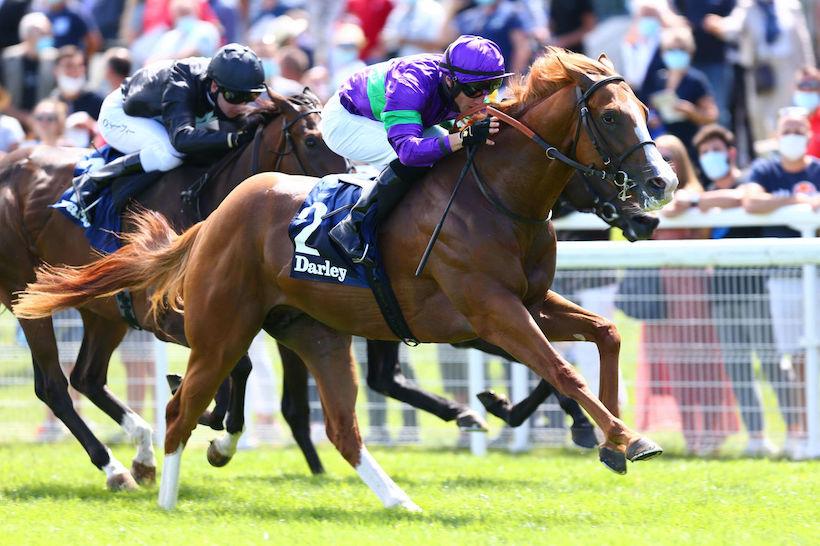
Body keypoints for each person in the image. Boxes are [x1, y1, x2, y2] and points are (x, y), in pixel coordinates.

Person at [320, 34, 508, 266]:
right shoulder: (409, 85)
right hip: (347, 120)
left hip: (401, 115)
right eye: (475, 90)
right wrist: (463, 137)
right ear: (450, 81)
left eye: (492, 86)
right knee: (421, 159)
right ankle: (353, 227)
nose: (484, 97)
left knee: (450, 152)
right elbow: (408, 152)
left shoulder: (469, 81)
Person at [689, 123, 795, 457]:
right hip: (721, 292)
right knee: (737, 367)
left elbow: (745, 198)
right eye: (705, 152)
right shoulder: (706, 190)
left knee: (772, 363)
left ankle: (796, 432)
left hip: (757, 288)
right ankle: (757, 437)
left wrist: (699, 200)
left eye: (716, 150)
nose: (711, 157)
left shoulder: (749, 179)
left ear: (731, 153)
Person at [635, 134, 740, 456]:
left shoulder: (694, 194)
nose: (665, 161)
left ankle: (713, 433)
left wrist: (689, 203)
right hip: (663, 293)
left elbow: (724, 204)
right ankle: (692, 436)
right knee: (676, 366)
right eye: (660, 155)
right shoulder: (646, 196)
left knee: (705, 364)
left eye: (670, 156)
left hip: (695, 289)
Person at [72, 42, 268, 213]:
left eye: (250, 97)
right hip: (120, 115)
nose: (242, 106)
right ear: (215, 87)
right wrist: (232, 139)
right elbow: (182, 139)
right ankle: (95, 179)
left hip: (158, 118)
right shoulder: (181, 83)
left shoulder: (222, 81)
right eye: (236, 97)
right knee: (171, 153)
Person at [742, 107, 819, 460]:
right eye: (787, 129)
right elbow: (751, 201)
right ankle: (802, 431)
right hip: (783, 279)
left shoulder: (817, 169)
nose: (793, 135)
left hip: (816, 274)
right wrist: (795, 202)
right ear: (776, 135)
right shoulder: (766, 169)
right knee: (796, 358)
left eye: (799, 129)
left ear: (808, 134)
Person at [640, 25, 718, 162]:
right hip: (663, 146)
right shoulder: (658, 78)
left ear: (690, 51)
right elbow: (648, 107)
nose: (676, 53)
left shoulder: (695, 80)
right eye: (671, 49)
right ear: (663, 53)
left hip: (689, 145)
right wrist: (652, 118)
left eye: (681, 49)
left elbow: (712, 116)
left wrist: (691, 112)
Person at [1, 11, 58, 114]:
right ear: (26, 35)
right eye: (42, 33)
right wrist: (24, 117)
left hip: (44, 119)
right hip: (12, 117)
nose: (48, 37)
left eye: (49, 33)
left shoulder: (53, 59)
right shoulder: (7, 59)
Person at [51, 45, 104, 120]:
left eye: (80, 65)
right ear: (56, 71)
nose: (75, 71)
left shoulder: (98, 101)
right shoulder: (51, 103)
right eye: (69, 66)